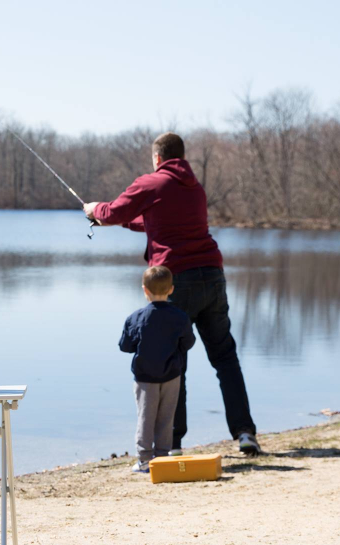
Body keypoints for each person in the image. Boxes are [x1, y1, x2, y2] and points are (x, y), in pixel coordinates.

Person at [84, 132, 261, 455]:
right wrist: (118, 222)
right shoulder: (194, 188)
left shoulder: (150, 183)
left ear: (157, 158)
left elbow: (114, 211)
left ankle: (174, 443)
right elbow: (152, 220)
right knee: (225, 357)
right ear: (181, 157)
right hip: (213, 277)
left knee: (174, 361)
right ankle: (245, 433)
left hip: (175, 281)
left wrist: (95, 209)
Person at [119, 266, 196, 472]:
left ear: (145, 290)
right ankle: (162, 457)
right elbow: (188, 343)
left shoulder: (135, 318)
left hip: (144, 377)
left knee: (146, 417)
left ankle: (144, 459)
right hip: (172, 375)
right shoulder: (180, 317)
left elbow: (125, 346)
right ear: (171, 289)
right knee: (166, 417)